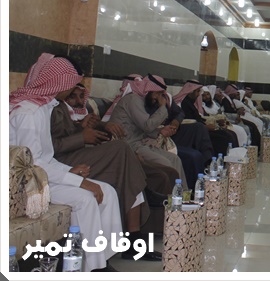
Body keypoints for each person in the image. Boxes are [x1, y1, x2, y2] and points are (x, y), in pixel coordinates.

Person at [9, 53, 122, 272]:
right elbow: (32, 166)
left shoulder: (43, 107)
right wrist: (81, 182)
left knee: (107, 191)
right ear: (58, 83)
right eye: (70, 84)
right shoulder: (29, 113)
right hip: (24, 186)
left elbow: (45, 158)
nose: (71, 89)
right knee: (86, 198)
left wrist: (71, 171)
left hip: (41, 177)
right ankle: (91, 268)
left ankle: (102, 259)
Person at [49, 84, 161, 261]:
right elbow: (47, 149)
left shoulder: (58, 104)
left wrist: (83, 129)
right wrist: (81, 136)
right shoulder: (39, 109)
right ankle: (134, 237)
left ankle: (134, 239)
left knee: (124, 156)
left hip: (75, 152)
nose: (73, 96)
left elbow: (66, 131)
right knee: (121, 150)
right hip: (61, 161)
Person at [108, 73, 188, 184]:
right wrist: (162, 107)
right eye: (157, 94)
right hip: (128, 146)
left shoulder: (139, 100)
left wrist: (160, 131)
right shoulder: (133, 100)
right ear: (149, 90)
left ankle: (182, 193)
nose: (158, 98)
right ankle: (170, 193)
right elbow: (147, 126)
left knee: (175, 159)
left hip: (139, 143)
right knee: (165, 163)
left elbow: (141, 128)